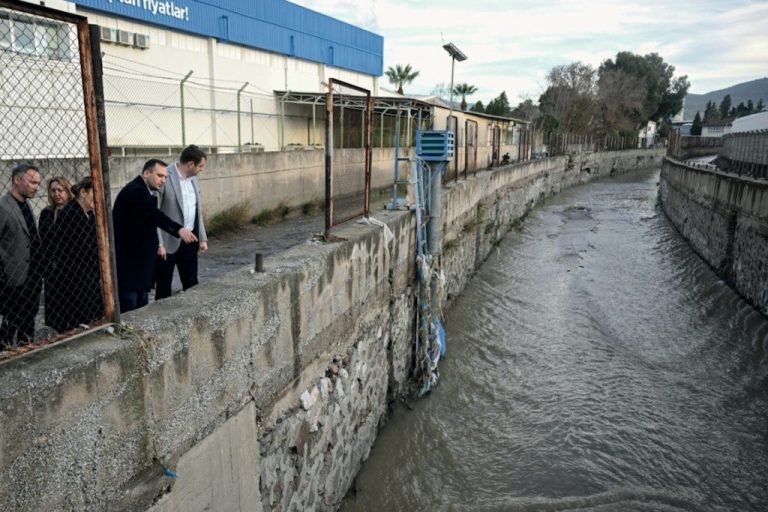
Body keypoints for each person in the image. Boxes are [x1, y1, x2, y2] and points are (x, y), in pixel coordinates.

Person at [112, 159, 197, 313]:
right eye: (160, 176)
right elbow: (155, 215)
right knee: (132, 312)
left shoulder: (143, 190)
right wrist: (179, 229)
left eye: (165, 177)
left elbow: (148, 221)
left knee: (140, 309)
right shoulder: (136, 191)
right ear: (146, 173)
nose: (163, 180)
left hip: (138, 267)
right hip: (131, 267)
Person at [50, 177, 104, 332]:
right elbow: (78, 251)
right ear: (83, 192)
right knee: (81, 322)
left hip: (88, 277)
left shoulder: (89, 213)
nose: (99, 197)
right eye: (95, 192)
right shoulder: (71, 214)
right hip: (76, 281)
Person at [155, 145, 209, 300]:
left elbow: (197, 210)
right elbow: (155, 212)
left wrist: (202, 237)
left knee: (192, 283)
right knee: (164, 287)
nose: (202, 169)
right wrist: (159, 243)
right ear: (190, 164)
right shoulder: (165, 176)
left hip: (190, 239)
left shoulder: (194, 179)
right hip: (168, 242)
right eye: (200, 166)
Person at [0, 163, 43, 348]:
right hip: (13, 281)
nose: (37, 187)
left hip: (32, 277)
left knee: (28, 322)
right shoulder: (3, 207)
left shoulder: (25, 204)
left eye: (38, 183)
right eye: (32, 182)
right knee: (10, 325)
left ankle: (28, 350)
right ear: (17, 180)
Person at [39, 176, 73, 332]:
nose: (57, 194)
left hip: (69, 266)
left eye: (60, 190)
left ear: (67, 191)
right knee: (54, 303)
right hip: (51, 267)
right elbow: (43, 240)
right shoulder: (46, 213)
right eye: (53, 191)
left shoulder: (73, 212)